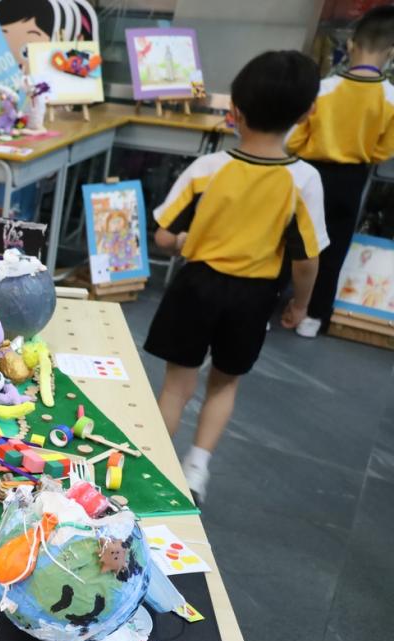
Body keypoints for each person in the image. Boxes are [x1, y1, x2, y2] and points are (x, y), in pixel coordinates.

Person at [145, 50, 327, 505]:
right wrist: (301, 304)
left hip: (196, 286)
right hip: (253, 296)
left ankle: (152, 470)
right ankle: (196, 469)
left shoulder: (207, 169)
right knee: (225, 383)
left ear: (236, 111)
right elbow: (306, 260)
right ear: (307, 113)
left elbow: (163, 236)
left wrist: (187, 241)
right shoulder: (304, 181)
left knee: (176, 387)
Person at [287, 5, 394, 338]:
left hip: (311, 171)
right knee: (334, 247)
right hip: (353, 177)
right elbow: (385, 149)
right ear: (391, 54)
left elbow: (294, 137)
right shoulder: (390, 97)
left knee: (292, 238)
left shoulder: (324, 89)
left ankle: (267, 305)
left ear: (350, 46)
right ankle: (314, 317)